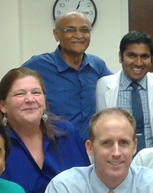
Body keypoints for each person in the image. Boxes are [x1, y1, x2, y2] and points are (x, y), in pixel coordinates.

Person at [22, 10, 112, 140]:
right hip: (53, 149)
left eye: (84, 30)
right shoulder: (38, 65)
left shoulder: (96, 65)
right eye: (70, 30)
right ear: (56, 34)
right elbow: (6, 90)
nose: (79, 35)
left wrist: (151, 77)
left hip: (90, 151)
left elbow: (118, 84)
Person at [96, 31, 153, 152]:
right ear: (120, 57)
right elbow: (99, 129)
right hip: (117, 156)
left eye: (144, 56)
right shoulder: (104, 85)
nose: (138, 63)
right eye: (132, 55)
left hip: (152, 159)